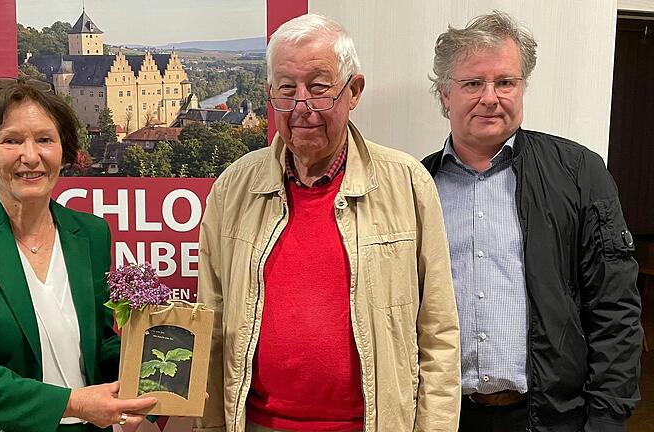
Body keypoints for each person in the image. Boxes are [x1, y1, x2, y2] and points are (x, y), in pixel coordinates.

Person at [195, 14, 460, 432]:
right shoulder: (233, 190)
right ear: (270, 95)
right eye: (287, 89)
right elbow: (209, 326)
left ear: (353, 90)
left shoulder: (407, 184)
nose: (302, 107)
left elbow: (438, 333)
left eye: (319, 87)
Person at [422, 11, 643, 432]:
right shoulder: (416, 186)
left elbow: (615, 308)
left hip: (551, 417)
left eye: (505, 81)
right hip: (444, 417)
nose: (491, 97)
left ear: (522, 87)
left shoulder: (579, 173)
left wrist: (607, 419)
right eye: (473, 83)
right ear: (445, 95)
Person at [0, 78, 156, 432]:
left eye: (44, 139)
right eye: (11, 140)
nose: (31, 156)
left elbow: (100, 346)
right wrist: (73, 403)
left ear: (64, 151)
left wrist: (161, 384)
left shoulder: (91, 233)